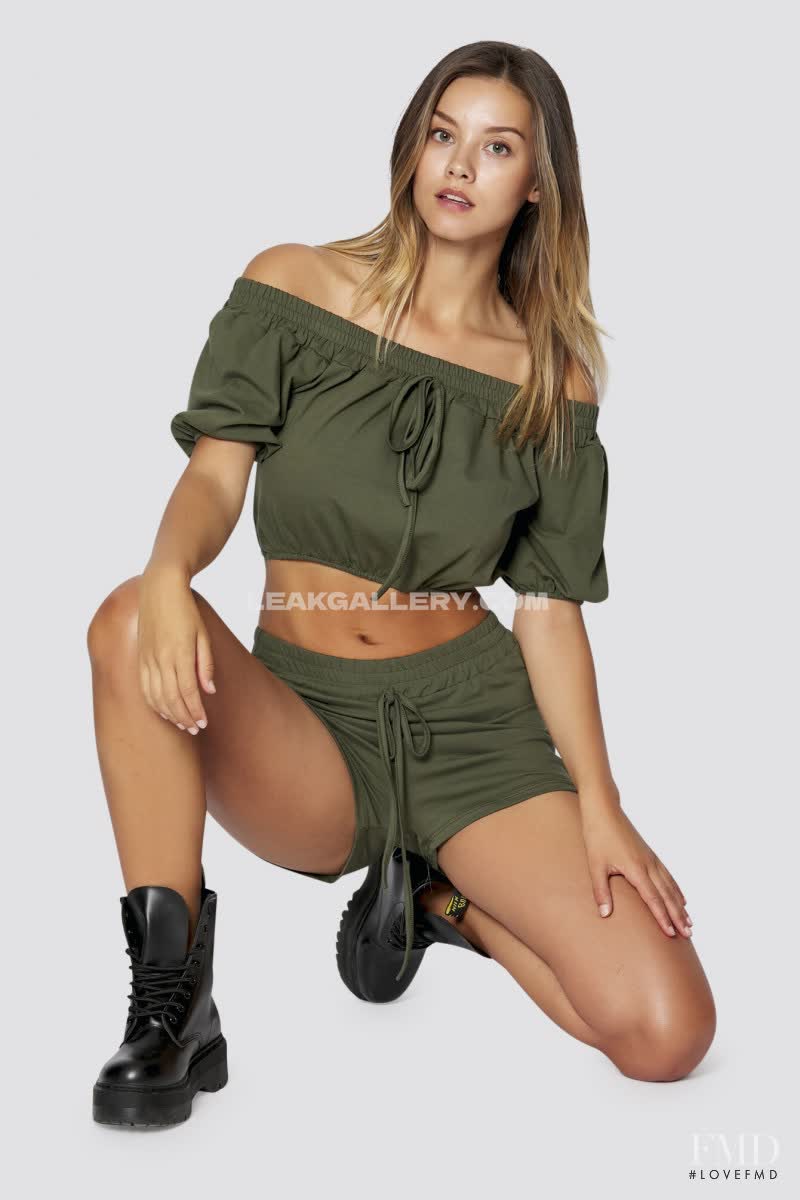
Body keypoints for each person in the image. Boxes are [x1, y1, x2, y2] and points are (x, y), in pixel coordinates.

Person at [87, 40, 716, 1128]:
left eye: (498, 146)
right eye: (442, 133)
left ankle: (440, 899)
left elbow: (548, 613)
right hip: (306, 727)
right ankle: (172, 1006)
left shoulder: (552, 380)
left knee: (667, 1036)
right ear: (412, 147)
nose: (459, 165)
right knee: (128, 617)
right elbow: (216, 477)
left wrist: (601, 806)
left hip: (474, 729)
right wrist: (171, 572)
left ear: (537, 184)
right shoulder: (295, 287)